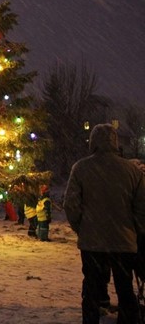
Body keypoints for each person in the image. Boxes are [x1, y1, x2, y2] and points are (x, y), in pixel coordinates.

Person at [64, 123, 145, 324]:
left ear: (93, 142)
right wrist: (135, 230)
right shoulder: (132, 171)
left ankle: (91, 319)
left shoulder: (81, 168)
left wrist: (81, 227)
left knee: (91, 289)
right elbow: (142, 207)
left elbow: (71, 205)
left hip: (92, 243)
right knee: (125, 288)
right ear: (116, 142)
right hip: (124, 242)